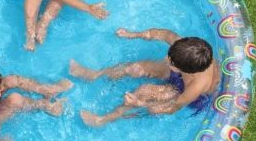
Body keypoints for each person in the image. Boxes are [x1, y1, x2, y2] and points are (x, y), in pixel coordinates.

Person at [69, 28, 220, 127]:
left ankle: (102, 120)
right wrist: (133, 34)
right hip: (182, 72)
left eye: (170, 61)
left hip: (183, 92)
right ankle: (95, 75)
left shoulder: (196, 87)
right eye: (169, 55)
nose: (166, 59)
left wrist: (140, 104)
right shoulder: (186, 49)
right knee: (135, 68)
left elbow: (171, 108)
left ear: (184, 69)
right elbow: (165, 34)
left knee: (144, 91)